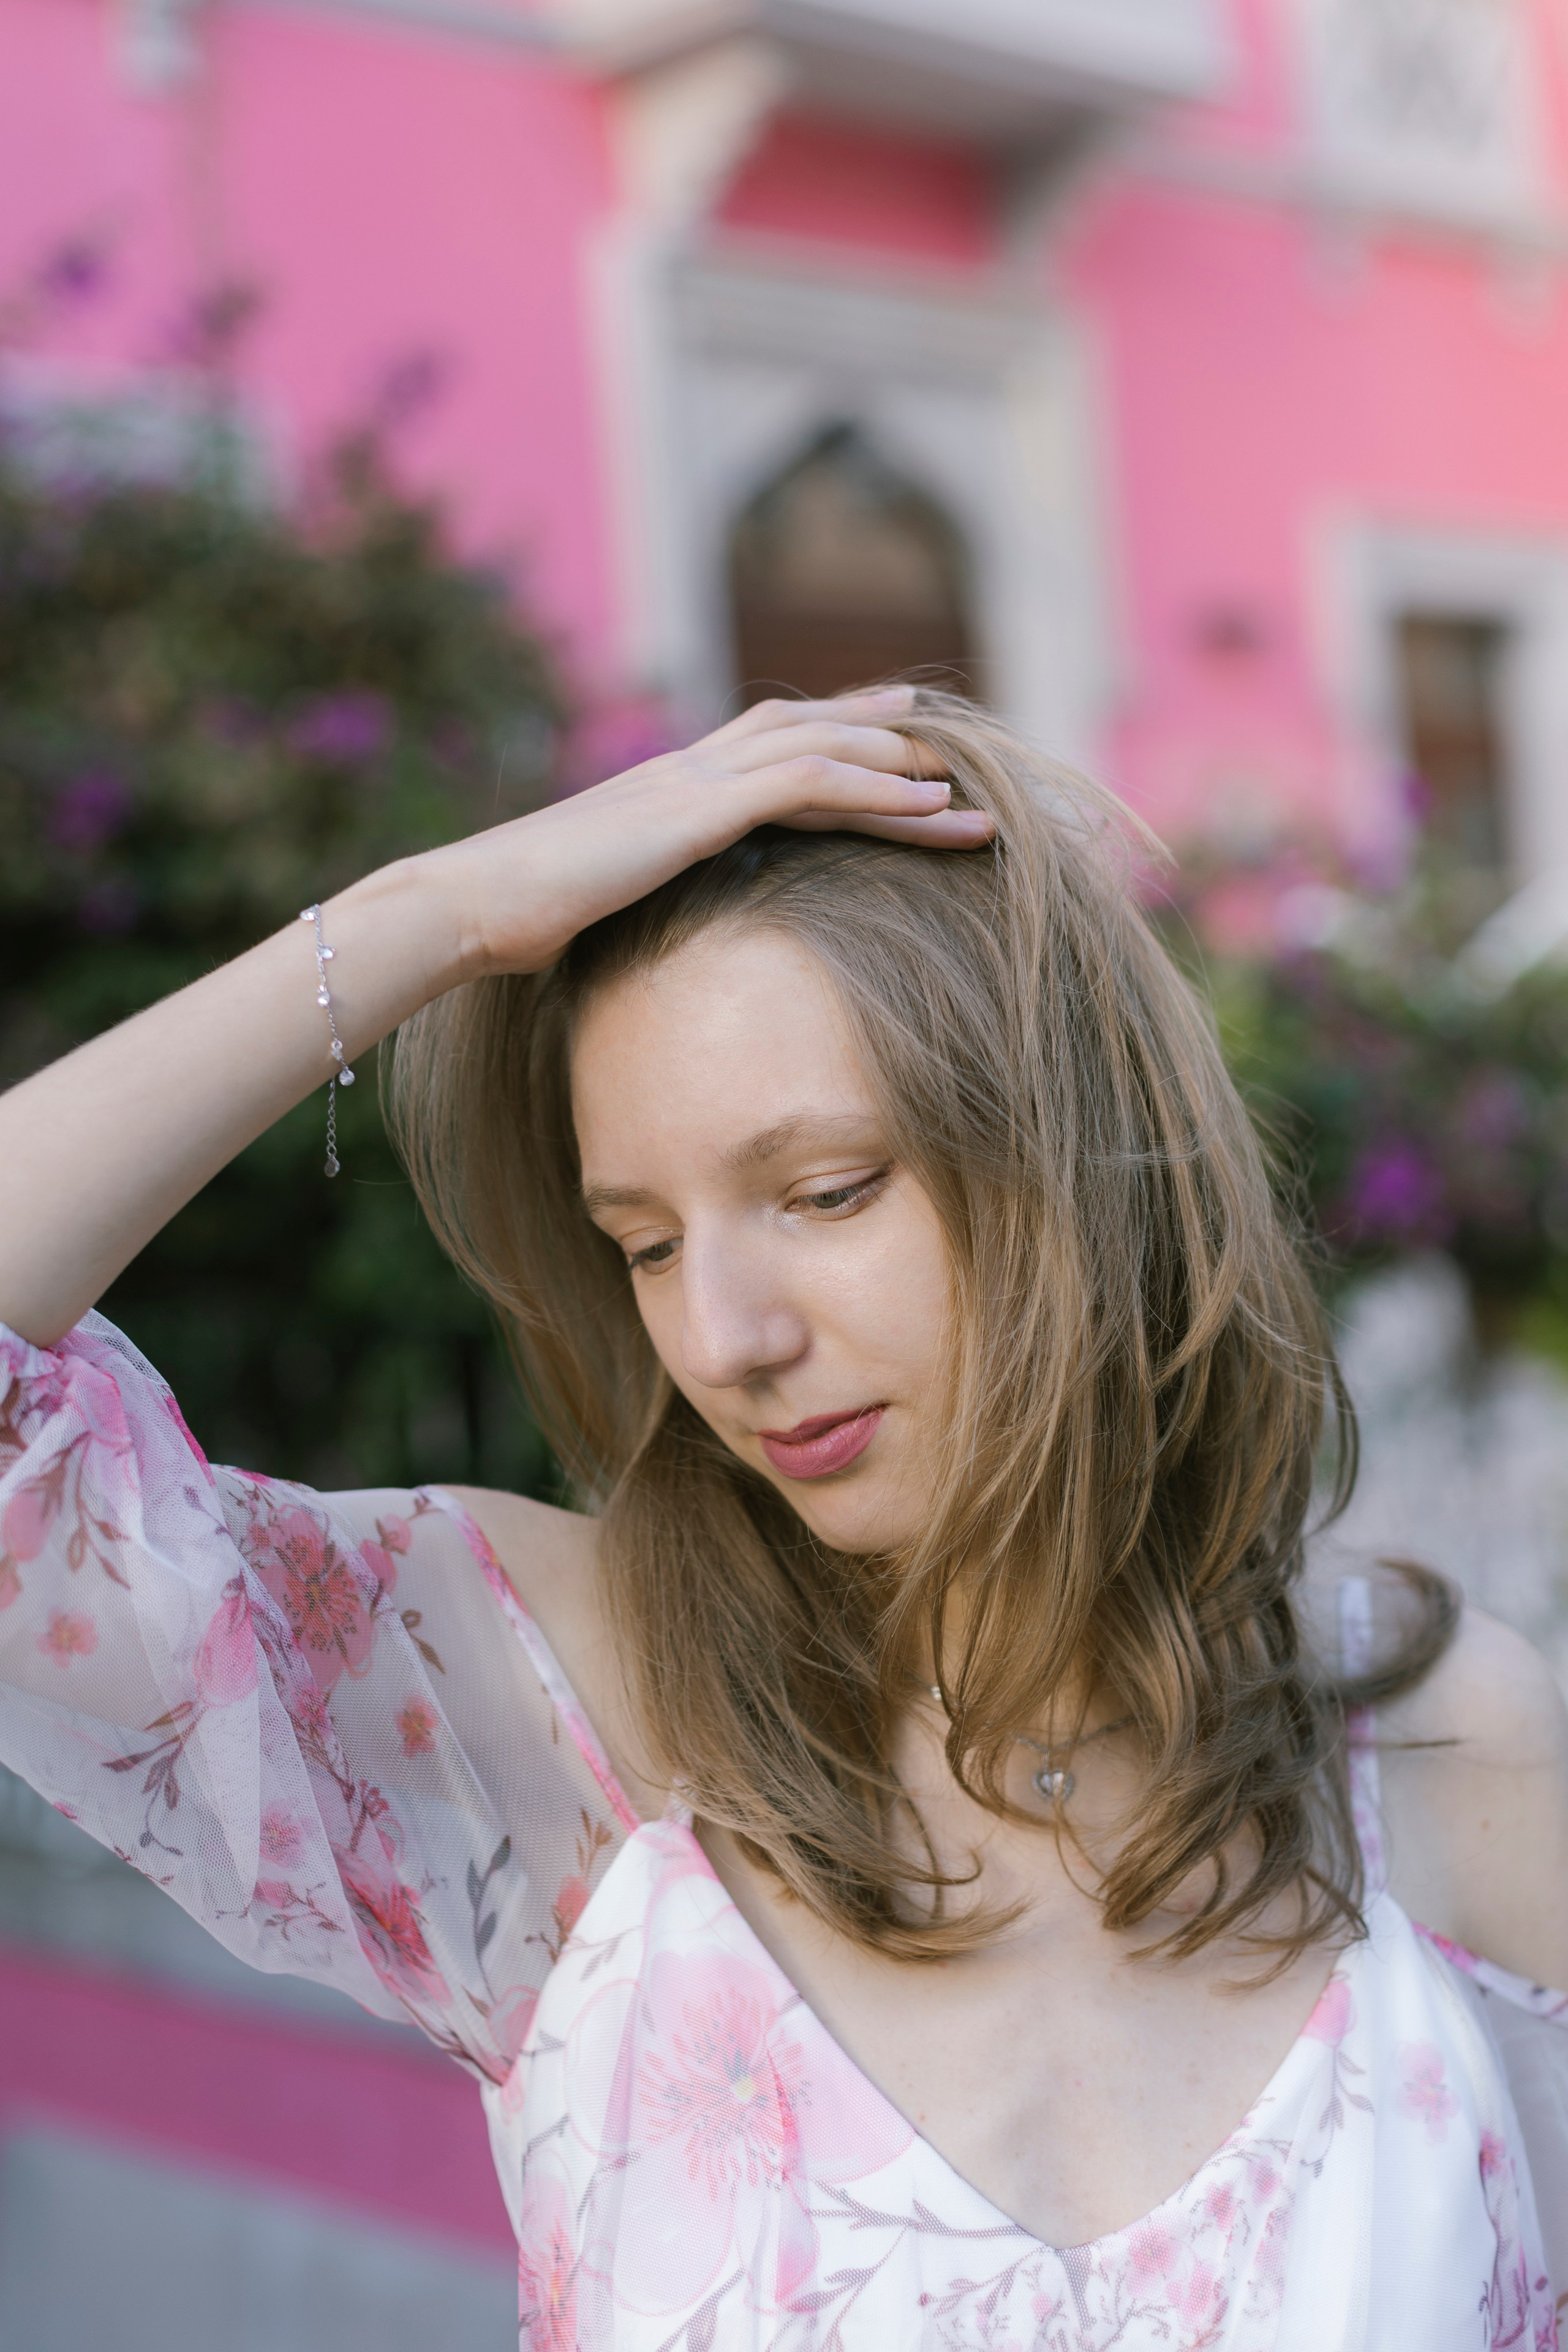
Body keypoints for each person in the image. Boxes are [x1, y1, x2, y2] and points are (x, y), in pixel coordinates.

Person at [0, 684, 1564, 2349]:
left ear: (1077, 1165)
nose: (727, 1338)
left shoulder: (1444, 1745)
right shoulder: (555, 1717)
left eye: (825, 1194)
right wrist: (432, 916)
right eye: (647, 1243)